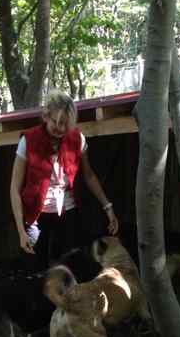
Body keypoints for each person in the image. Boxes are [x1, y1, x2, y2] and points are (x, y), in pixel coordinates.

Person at [10, 90, 119, 269]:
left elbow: (89, 175)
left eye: (65, 124)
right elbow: (14, 187)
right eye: (55, 121)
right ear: (46, 116)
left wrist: (108, 207)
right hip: (36, 214)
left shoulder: (77, 139)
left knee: (69, 265)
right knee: (35, 267)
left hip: (68, 211)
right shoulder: (28, 141)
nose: (60, 128)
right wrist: (21, 231)